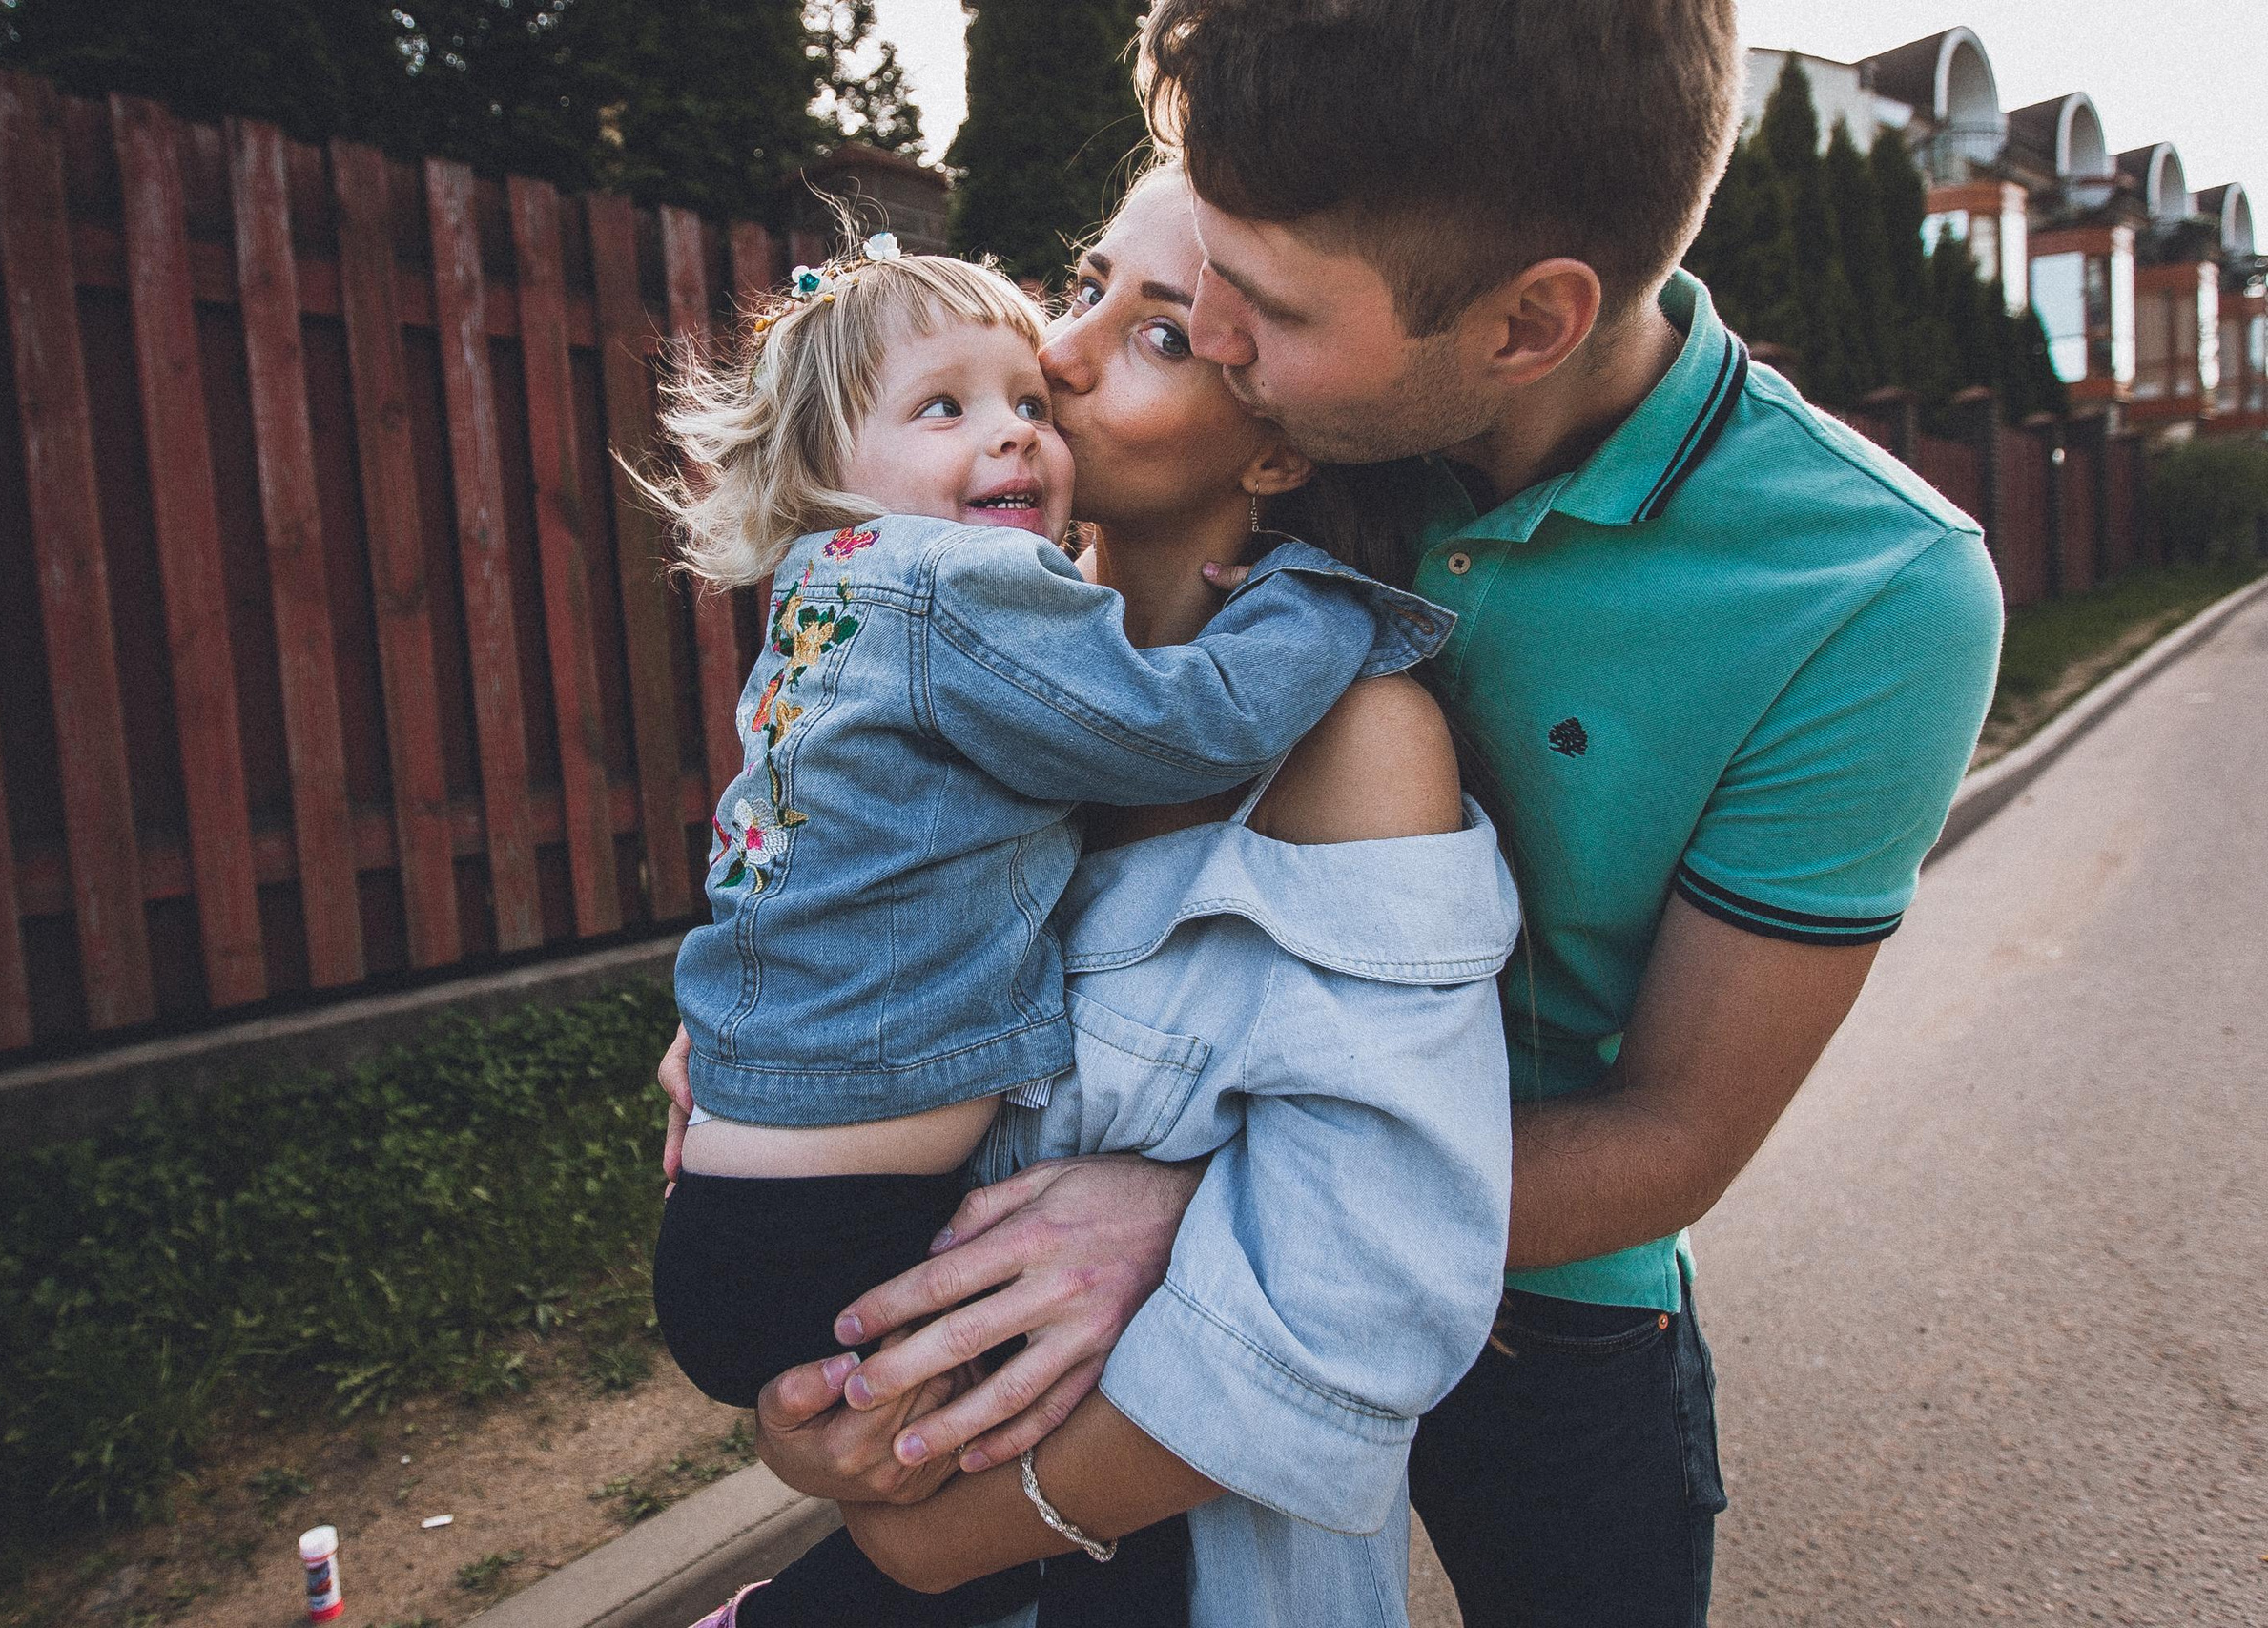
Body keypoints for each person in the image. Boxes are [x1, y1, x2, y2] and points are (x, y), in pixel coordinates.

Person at [715, 4, 2006, 1625]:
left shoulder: (1872, 590)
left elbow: (1677, 1136)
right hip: (1113, 1259)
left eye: (1244, 310)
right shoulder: (1231, 463)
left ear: (1527, 327)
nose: (1063, 359)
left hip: (1544, 1297)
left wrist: (1201, 1215)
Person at [639, 236, 1460, 1627]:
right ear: (831, 469)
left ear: (1279, 446)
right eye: (949, 404)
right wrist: (1325, 611)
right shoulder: (958, 605)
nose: (1046, 393)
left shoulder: (842, 602)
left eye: (1157, 337)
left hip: (798, 1240)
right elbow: (1179, 723)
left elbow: (1374, 1245)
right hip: (833, 1240)